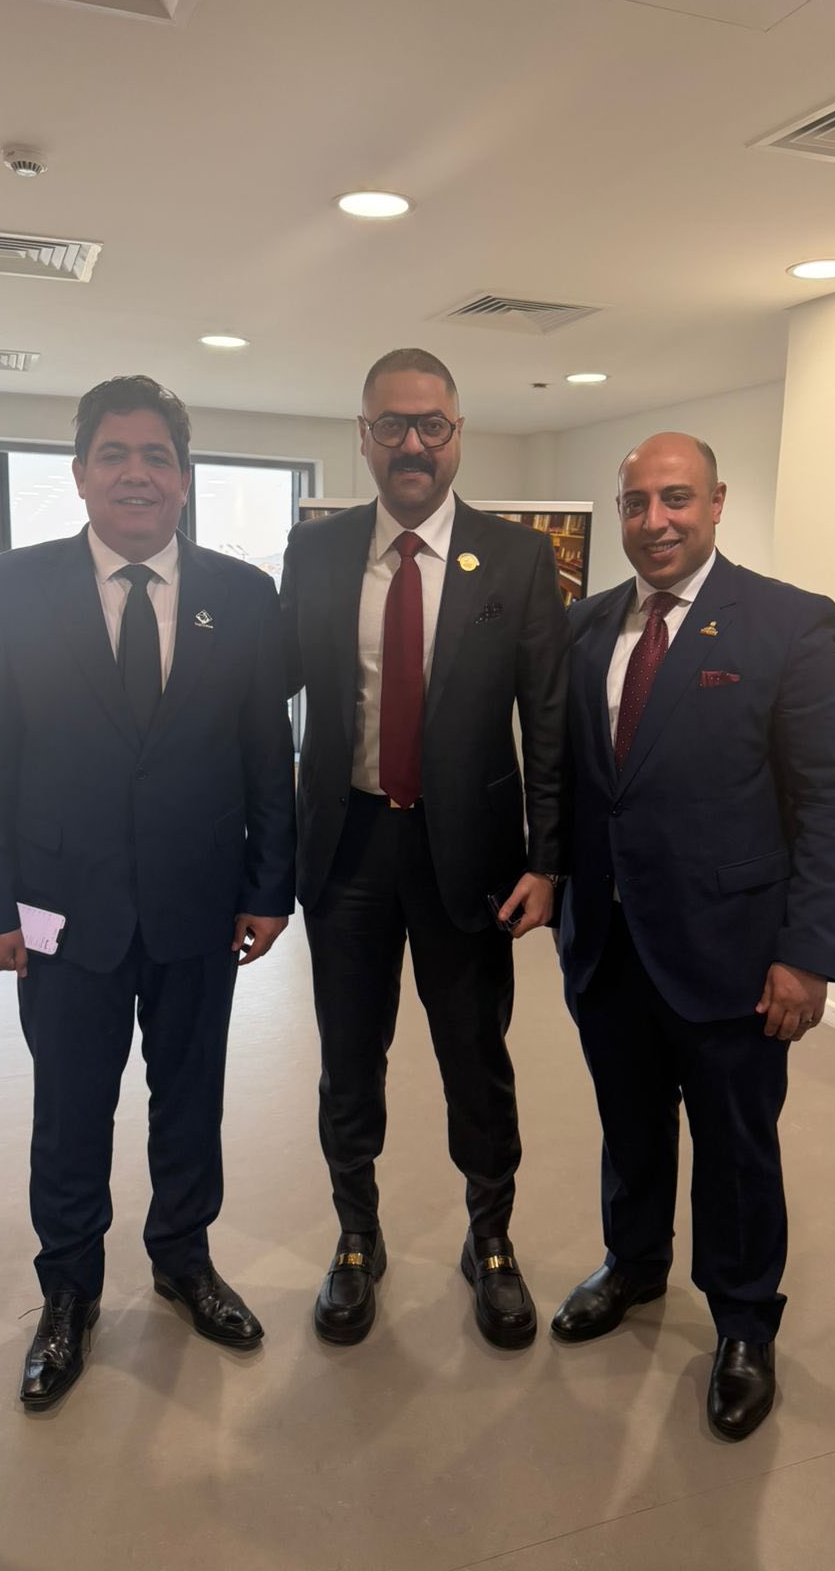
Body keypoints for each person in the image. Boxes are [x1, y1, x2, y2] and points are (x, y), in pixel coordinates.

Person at [0, 375, 295, 1410]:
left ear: (184, 479)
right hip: (58, 909)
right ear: (80, 474)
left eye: (156, 456)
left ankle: (184, 1260)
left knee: (190, 1099)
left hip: (201, 903)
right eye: (115, 454)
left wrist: (269, 888)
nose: (136, 474)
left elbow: (266, 755)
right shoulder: (14, 586)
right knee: (70, 1110)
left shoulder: (243, 596)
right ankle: (69, 1291)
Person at [553, 431, 835, 1439]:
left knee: (736, 1146)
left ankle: (742, 1322)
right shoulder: (586, 624)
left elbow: (833, 799)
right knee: (630, 1125)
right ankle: (635, 1264)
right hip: (608, 943)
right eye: (636, 502)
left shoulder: (787, 623)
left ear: (718, 501)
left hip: (735, 951)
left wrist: (808, 953)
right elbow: (579, 783)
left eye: (677, 498)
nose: (656, 522)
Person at [280, 348, 569, 1350]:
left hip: (472, 860)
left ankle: (490, 1240)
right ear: (363, 436)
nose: (413, 443)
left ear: (458, 434)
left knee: (475, 1061)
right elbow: (270, 692)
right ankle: (357, 1237)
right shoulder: (316, 553)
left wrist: (547, 860)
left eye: (431, 424)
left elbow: (549, 720)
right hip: (349, 849)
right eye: (393, 425)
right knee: (348, 1062)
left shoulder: (518, 559)